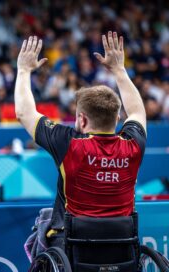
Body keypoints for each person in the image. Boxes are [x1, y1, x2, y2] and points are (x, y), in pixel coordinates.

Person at [15, 33, 146, 250]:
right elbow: (137, 111)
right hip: (121, 244)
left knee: (43, 228)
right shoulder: (133, 144)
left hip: (73, 245)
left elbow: (24, 113)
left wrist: (23, 70)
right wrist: (119, 70)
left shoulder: (69, 143)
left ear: (82, 119)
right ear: (117, 118)